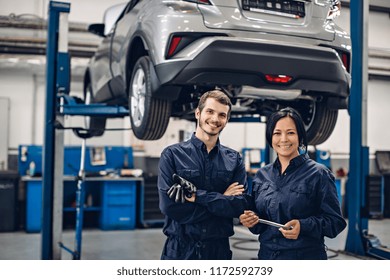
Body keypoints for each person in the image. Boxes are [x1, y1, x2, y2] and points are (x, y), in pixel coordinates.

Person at [239, 107, 346, 260]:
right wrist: (251, 220)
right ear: (271, 138)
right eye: (277, 133)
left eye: (290, 133)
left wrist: (303, 226)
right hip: (267, 256)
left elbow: (335, 222)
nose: (283, 139)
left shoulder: (318, 174)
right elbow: (259, 224)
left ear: (300, 138)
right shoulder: (262, 175)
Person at [157, 89, 249, 260]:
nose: (215, 119)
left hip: (218, 251)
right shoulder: (172, 155)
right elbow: (170, 207)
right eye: (210, 111)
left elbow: (239, 205)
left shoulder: (234, 159)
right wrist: (222, 198)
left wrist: (197, 197)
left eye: (222, 115)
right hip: (180, 251)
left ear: (227, 120)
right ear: (198, 113)